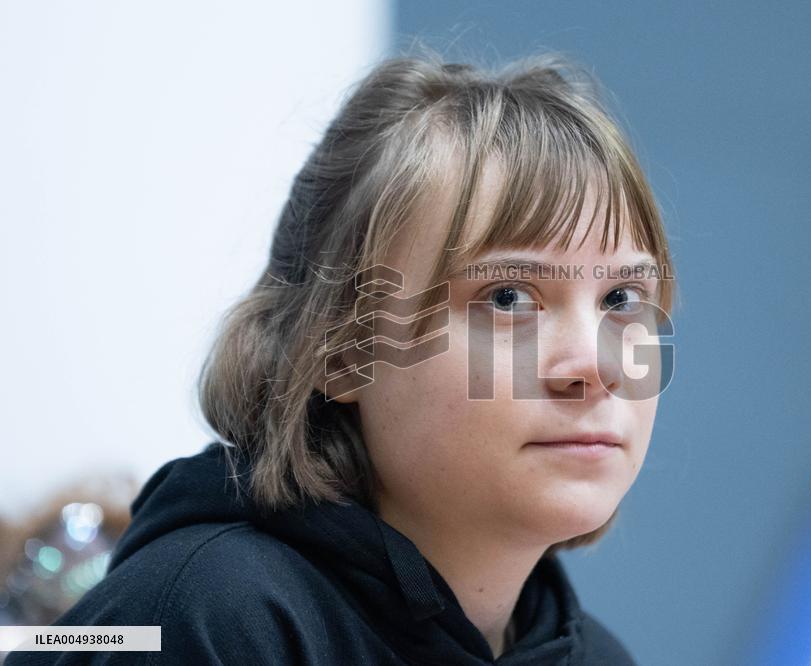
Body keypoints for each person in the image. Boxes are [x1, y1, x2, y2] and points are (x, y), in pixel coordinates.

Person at [7, 46, 676, 664]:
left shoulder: (596, 655)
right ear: (337, 348)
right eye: (506, 297)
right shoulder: (209, 618)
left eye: (621, 298)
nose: (595, 366)